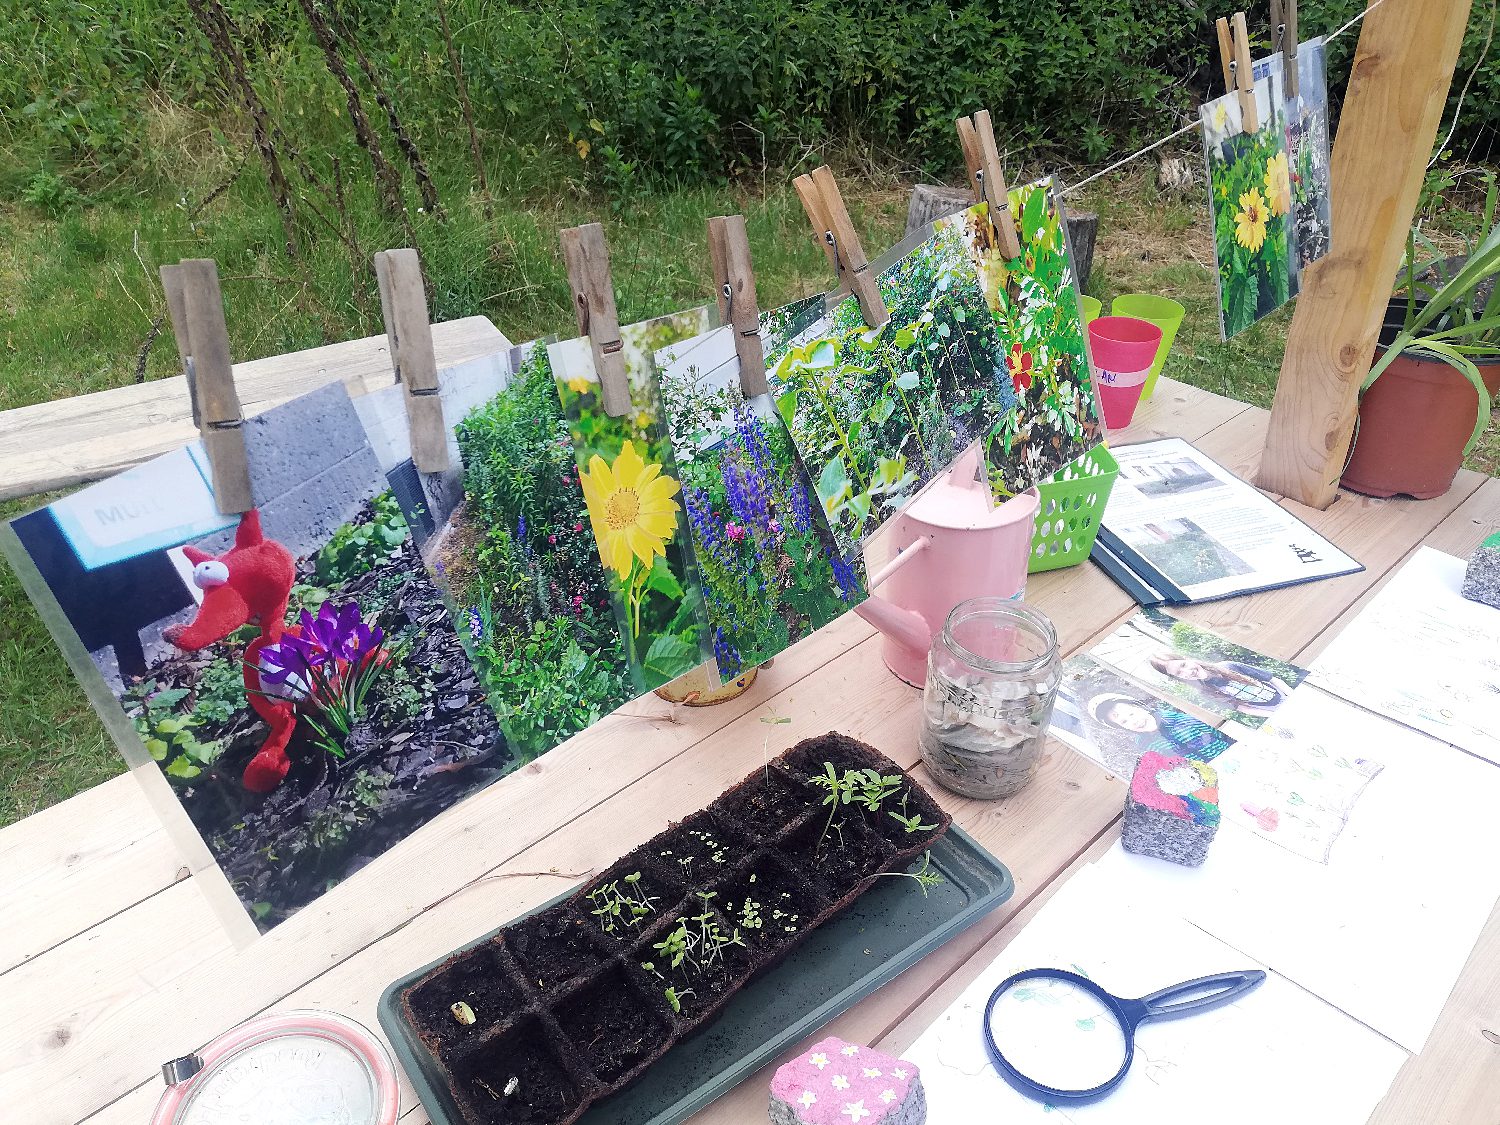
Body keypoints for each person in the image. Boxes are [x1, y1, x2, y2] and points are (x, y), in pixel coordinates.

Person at [1086, 692, 1229, 763]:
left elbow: (1222, 734)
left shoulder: (1180, 719)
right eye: (1124, 722)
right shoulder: (1146, 745)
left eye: (1131, 713)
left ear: (1142, 707)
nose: (1134, 721)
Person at [1148, 652, 1294, 717]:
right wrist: (1275, 714)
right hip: (1272, 710)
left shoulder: (1228, 666)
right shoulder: (1205, 692)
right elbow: (1243, 708)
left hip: (1286, 695)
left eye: (1184, 664)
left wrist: (1292, 696)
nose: (1188, 671)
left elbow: (1271, 678)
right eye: (1180, 673)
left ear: (1187, 658)